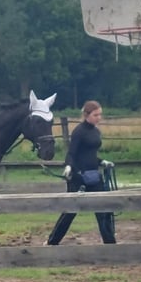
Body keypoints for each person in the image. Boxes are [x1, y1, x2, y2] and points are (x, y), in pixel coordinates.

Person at [46, 100, 116, 245]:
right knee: (70, 212)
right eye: (95, 115)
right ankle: (52, 241)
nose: (99, 118)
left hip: (94, 176)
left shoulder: (96, 131)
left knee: (103, 210)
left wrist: (102, 162)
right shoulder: (79, 131)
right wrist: (69, 167)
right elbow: (72, 153)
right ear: (86, 115)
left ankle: (110, 244)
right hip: (79, 177)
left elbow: (89, 154)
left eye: (100, 114)